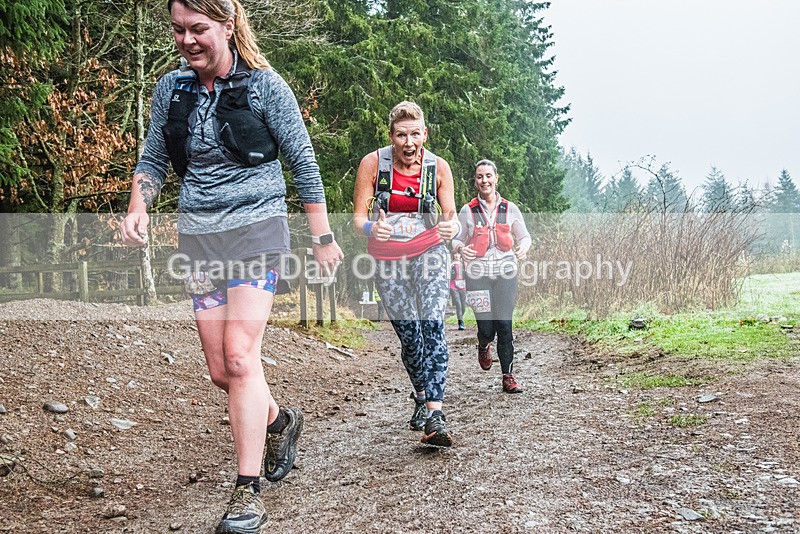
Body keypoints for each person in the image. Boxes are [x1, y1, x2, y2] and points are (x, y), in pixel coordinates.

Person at [120, 1, 343, 532]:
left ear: (227, 25)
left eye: (198, 29)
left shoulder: (266, 86)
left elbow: (304, 161)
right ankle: (278, 420)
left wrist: (322, 237)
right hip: (200, 239)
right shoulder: (171, 90)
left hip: (257, 234)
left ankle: (246, 493)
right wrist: (138, 206)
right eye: (178, 30)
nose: (187, 40)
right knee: (223, 370)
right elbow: (152, 160)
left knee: (242, 358)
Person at [352, 101, 460, 447]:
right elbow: (357, 219)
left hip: (429, 253)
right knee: (410, 336)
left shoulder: (438, 168)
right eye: (402, 135)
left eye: (415, 134)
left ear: (424, 134)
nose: (409, 142)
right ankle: (420, 394)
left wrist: (450, 228)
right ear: (391, 137)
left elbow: (452, 215)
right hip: (388, 259)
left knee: (432, 326)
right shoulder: (373, 164)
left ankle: (435, 413)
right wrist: (372, 228)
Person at [452, 159, 531, 394]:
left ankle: (508, 376)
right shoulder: (467, 210)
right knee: (486, 326)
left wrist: (524, 248)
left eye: (488, 176)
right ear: (475, 181)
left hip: (506, 272)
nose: (484, 181)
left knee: (504, 324)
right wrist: (459, 248)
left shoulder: (510, 208)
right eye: (479, 177)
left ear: (496, 178)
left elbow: (525, 236)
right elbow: (456, 238)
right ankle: (484, 343)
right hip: (477, 274)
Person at [449, 250, 467, 330]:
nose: (456, 255)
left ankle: (460, 317)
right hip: (453, 285)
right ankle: (460, 322)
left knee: (463, 306)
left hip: (463, 286)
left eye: (458, 254)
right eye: (455, 254)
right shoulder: (450, 264)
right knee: (458, 303)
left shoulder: (464, 264)